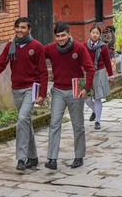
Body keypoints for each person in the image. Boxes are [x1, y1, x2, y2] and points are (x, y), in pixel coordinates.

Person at [0, 17, 48, 171]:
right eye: (17, 27)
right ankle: (33, 157)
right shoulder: (10, 46)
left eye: (23, 27)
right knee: (26, 122)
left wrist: (42, 94)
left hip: (31, 88)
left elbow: (43, 72)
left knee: (21, 120)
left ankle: (21, 158)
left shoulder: (37, 46)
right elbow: (0, 63)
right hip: (16, 89)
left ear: (29, 30)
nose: (19, 30)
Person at [43, 22, 95, 170]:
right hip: (58, 89)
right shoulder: (50, 49)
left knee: (77, 125)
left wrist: (86, 88)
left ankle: (79, 156)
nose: (60, 39)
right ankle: (52, 159)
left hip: (75, 90)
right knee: (54, 123)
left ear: (69, 34)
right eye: (58, 36)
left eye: (63, 35)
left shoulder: (79, 48)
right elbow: (36, 52)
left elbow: (90, 69)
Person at [85, 26, 115, 130]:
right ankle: (95, 110)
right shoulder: (84, 46)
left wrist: (111, 75)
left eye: (97, 33)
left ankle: (97, 121)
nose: (95, 35)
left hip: (99, 73)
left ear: (99, 35)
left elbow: (107, 62)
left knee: (97, 98)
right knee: (86, 98)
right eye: (93, 32)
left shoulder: (103, 47)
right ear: (90, 34)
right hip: (87, 74)